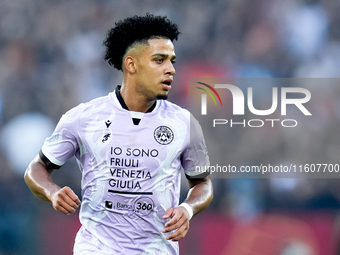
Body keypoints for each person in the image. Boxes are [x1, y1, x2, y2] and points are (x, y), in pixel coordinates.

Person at [24, 13, 213, 255]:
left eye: (172, 61)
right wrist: (52, 192)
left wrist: (187, 208)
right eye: (159, 60)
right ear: (131, 64)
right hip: (96, 248)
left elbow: (202, 183)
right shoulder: (83, 117)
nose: (171, 69)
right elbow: (36, 168)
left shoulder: (183, 123)